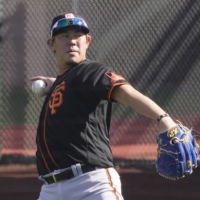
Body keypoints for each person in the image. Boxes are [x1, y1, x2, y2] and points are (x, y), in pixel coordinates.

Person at [30, 12, 177, 200]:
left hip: (90, 184)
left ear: (87, 41)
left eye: (78, 35)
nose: (72, 41)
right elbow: (72, 83)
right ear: (51, 44)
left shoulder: (91, 71)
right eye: (64, 36)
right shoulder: (66, 81)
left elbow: (127, 93)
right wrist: (55, 83)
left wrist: (164, 119)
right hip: (50, 190)